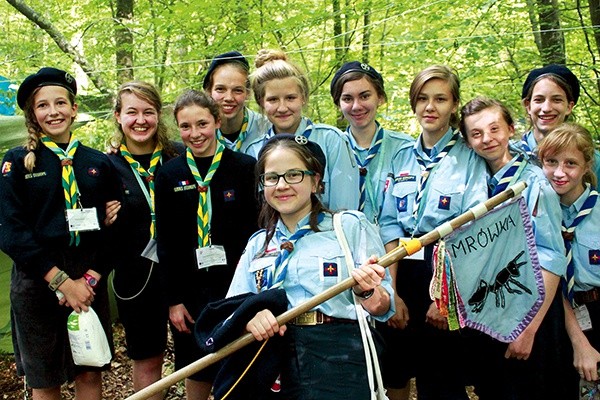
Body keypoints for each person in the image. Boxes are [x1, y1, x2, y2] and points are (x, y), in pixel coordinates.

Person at [227, 134, 394, 399]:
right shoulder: (258, 244)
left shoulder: (348, 227)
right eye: (272, 177)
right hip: (272, 359)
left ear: (316, 181)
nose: (281, 185)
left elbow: (383, 308)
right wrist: (250, 319)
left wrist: (368, 292)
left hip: (338, 356)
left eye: (294, 174)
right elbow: (234, 309)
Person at [0, 67, 121, 400]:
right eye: (42, 106)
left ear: (74, 109)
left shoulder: (98, 162)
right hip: (38, 278)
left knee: (89, 370)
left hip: (88, 277)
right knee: (45, 378)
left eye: (60, 103)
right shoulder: (17, 162)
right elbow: (10, 232)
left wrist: (90, 280)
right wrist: (62, 282)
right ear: (33, 115)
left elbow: (114, 230)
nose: (53, 112)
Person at [378, 65, 488, 400]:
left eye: (440, 99)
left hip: (445, 272)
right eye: (422, 98)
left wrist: (444, 296)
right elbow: (389, 224)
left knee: (439, 377)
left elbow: (472, 228)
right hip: (402, 269)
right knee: (395, 370)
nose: (430, 107)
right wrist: (390, 292)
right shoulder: (400, 158)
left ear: (454, 104)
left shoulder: (470, 158)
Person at [460, 97, 577, 399]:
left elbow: (551, 257)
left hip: (528, 311)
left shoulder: (535, 181)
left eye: (494, 129)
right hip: (488, 311)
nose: (487, 139)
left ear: (511, 129)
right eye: (476, 133)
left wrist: (528, 328)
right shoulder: (472, 181)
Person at [154, 89, 259, 400]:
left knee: (239, 362)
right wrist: (174, 301)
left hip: (236, 285)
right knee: (195, 366)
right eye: (185, 127)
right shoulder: (169, 174)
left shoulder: (244, 167)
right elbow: (167, 242)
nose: (195, 134)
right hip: (190, 291)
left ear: (216, 121)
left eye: (202, 124)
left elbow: (257, 233)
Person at [106, 81, 184, 399]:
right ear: (118, 116)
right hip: (136, 279)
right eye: (132, 112)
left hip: (183, 273)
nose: (141, 120)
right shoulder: (106, 166)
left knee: (195, 354)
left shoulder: (179, 156)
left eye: (148, 112)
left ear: (159, 116)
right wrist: (102, 216)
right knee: (148, 357)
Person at [246, 49, 359, 212]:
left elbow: (344, 209)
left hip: (327, 234)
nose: (282, 107)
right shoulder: (253, 150)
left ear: (304, 97)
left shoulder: (331, 141)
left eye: (290, 98)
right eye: (273, 99)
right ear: (261, 102)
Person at [538, 123, 600, 384]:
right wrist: (578, 340)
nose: (559, 173)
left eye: (571, 164)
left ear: (587, 166)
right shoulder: (535, 214)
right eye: (551, 161)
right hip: (552, 317)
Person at [330, 61, 414, 224]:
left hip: (393, 245)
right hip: (342, 244)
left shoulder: (404, 148)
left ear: (380, 98)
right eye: (347, 98)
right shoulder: (331, 150)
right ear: (338, 104)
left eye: (364, 96)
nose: (356, 106)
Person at [520, 64, 600, 178]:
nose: (546, 108)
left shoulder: (591, 159)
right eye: (539, 100)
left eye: (556, 100)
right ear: (528, 106)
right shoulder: (509, 154)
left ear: (569, 107)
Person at [203, 50, 269, 154]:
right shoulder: (201, 134)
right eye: (220, 89)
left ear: (248, 93)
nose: (229, 98)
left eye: (237, 90)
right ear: (209, 91)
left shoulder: (267, 128)